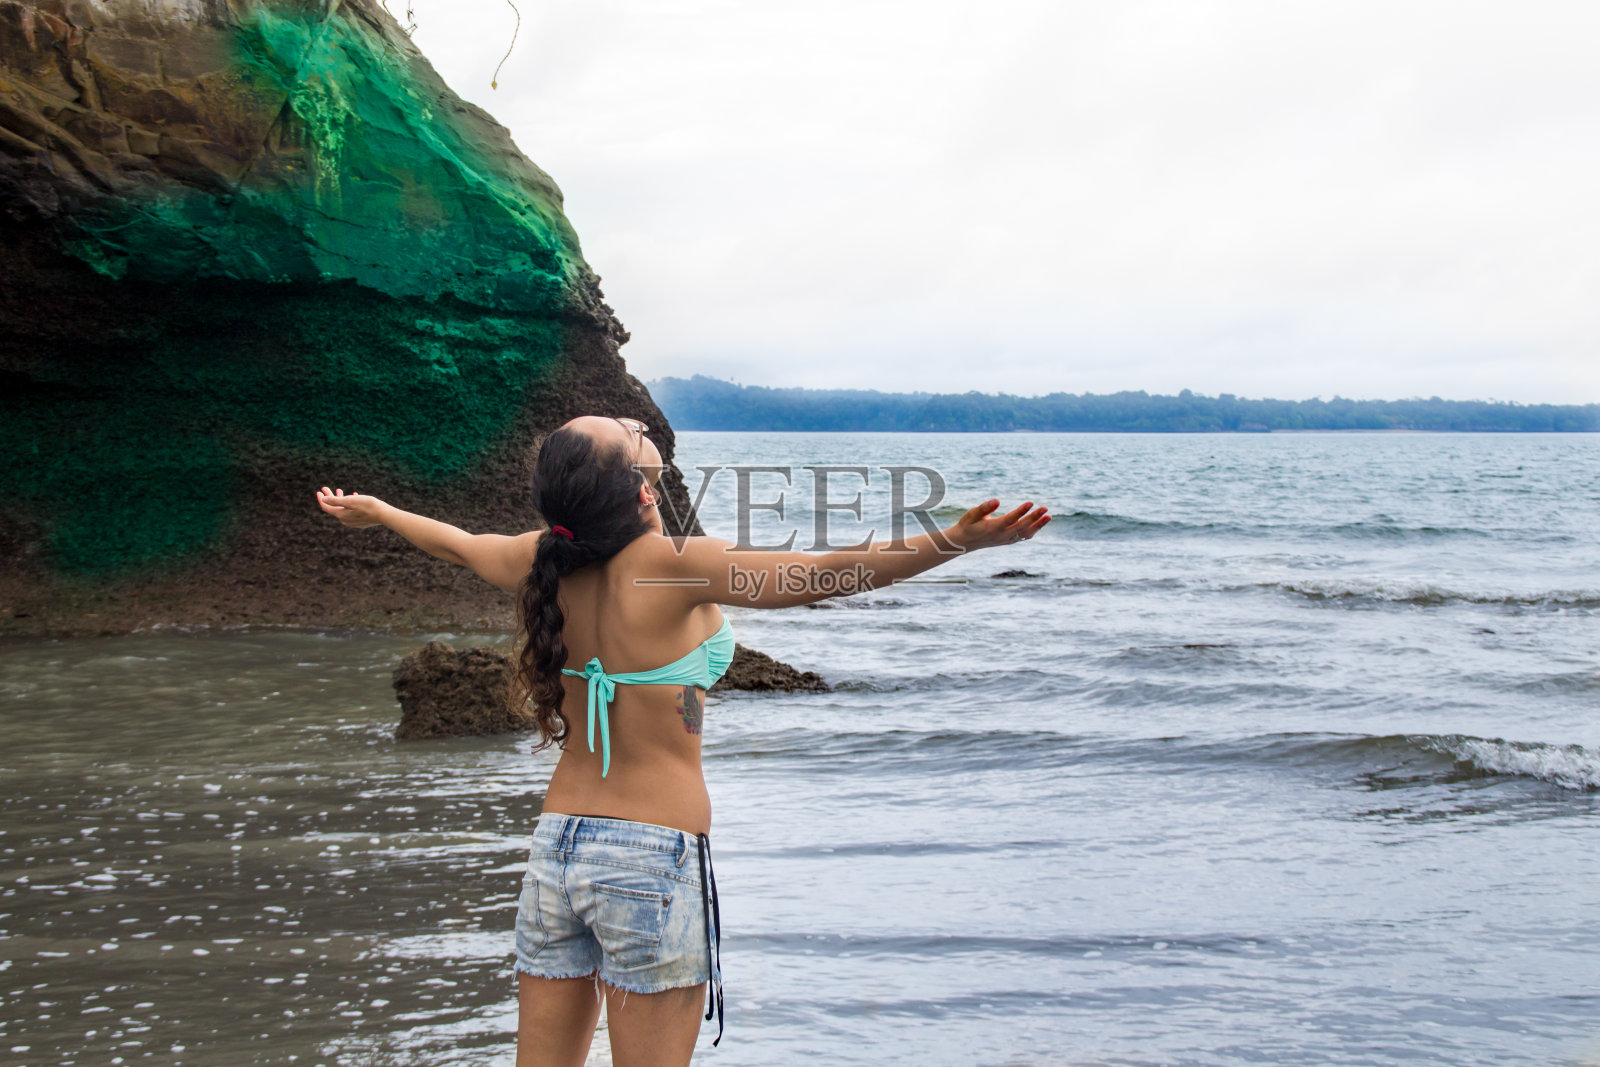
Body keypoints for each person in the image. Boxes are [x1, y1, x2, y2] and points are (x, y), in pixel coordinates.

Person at [315, 415, 1051, 1066]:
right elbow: (823, 574)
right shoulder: (676, 568)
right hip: (648, 855)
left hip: (556, 848)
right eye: (617, 428)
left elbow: (456, 544)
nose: (631, 419)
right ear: (639, 491)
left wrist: (380, 512)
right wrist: (952, 540)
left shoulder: (538, 560)